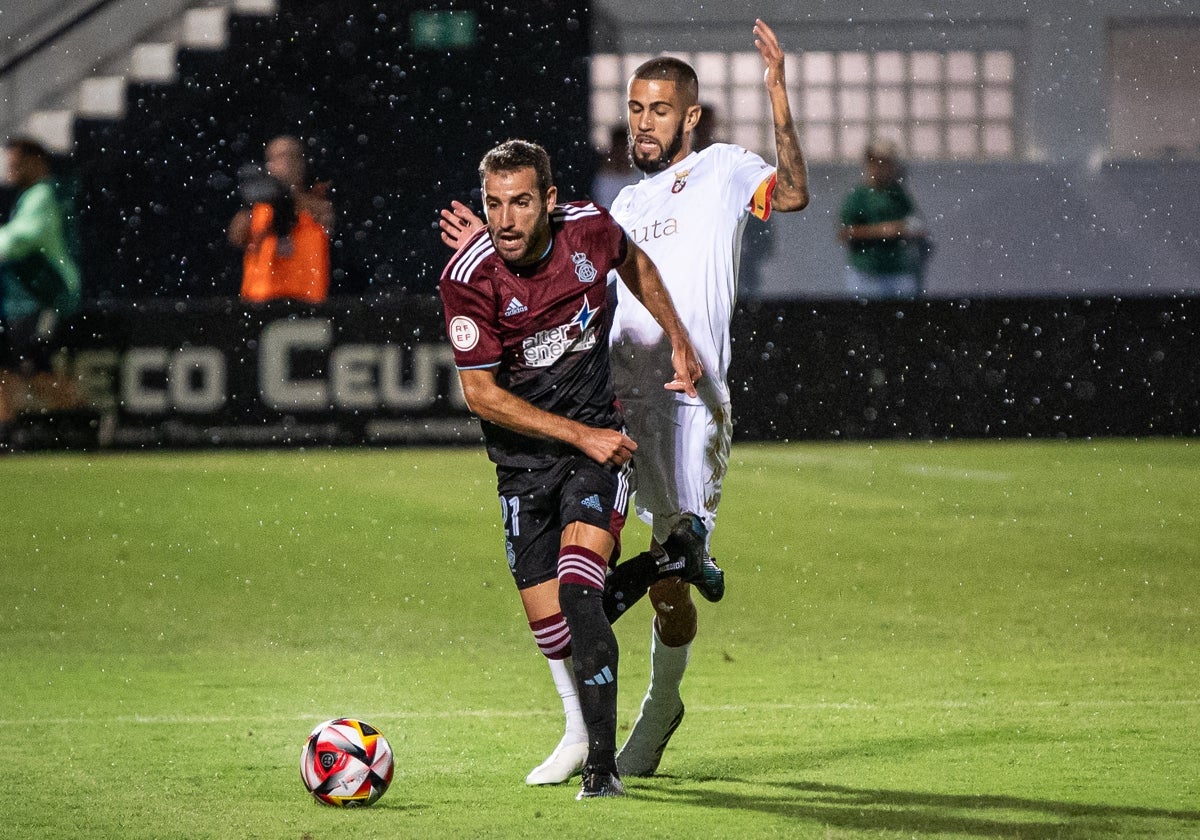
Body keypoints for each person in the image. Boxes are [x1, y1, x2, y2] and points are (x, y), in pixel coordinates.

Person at [439, 19, 810, 783]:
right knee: (579, 586)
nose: (645, 122)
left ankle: (657, 704)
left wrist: (777, 93)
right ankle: (590, 722)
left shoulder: (724, 171)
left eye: (661, 110)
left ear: (692, 117)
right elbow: (563, 262)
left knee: (664, 578)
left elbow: (795, 191)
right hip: (607, 406)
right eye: (636, 109)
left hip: (685, 401)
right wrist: (496, 240)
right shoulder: (621, 205)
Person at [438, 139, 703, 799]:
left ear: (549, 202)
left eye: (521, 202)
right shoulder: (467, 279)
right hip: (525, 465)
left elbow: (634, 261)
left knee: (581, 592)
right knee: (555, 626)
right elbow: (483, 395)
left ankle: (600, 769)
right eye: (494, 204)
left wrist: (677, 339)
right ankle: (670, 560)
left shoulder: (590, 228)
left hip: (601, 448)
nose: (505, 218)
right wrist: (575, 434)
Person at [0, 137, 83, 438]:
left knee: (32, 367)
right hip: (22, 300)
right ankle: (7, 431)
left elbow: (20, 239)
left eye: (16, 163)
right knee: (8, 367)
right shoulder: (33, 195)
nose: (10, 169)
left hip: (44, 297)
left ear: (37, 162)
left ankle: (84, 422)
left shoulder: (44, 195)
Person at [228, 135, 333, 303]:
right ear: (269, 165)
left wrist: (286, 197)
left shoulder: (315, 206)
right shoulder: (257, 209)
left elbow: (326, 220)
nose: (287, 163)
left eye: (292, 156)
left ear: (302, 163)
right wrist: (254, 202)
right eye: (279, 157)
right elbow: (236, 236)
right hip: (262, 303)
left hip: (307, 303)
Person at [838, 139, 931, 299]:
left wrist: (908, 232)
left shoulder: (899, 195)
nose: (881, 168)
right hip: (867, 274)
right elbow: (845, 233)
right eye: (876, 163)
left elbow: (916, 226)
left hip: (898, 272)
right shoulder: (859, 196)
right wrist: (882, 231)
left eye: (886, 163)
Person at [591, 125, 640, 209]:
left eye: (624, 149)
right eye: (618, 148)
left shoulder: (640, 177)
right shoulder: (604, 179)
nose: (621, 154)